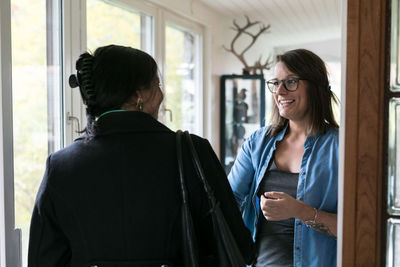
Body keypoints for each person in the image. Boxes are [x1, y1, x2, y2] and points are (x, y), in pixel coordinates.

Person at [28, 44, 254, 267]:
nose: (162, 94)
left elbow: (43, 259)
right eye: (157, 84)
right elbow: (237, 244)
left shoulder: (60, 166)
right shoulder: (191, 152)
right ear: (140, 95)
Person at [228, 49, 339, 267]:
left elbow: (359, 229)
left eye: (291, 81)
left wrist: (299, 211)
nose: (279, 91)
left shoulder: (341, 147)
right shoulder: (257, 142)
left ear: (315, 86)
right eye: (275, 83)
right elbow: (228, 202)